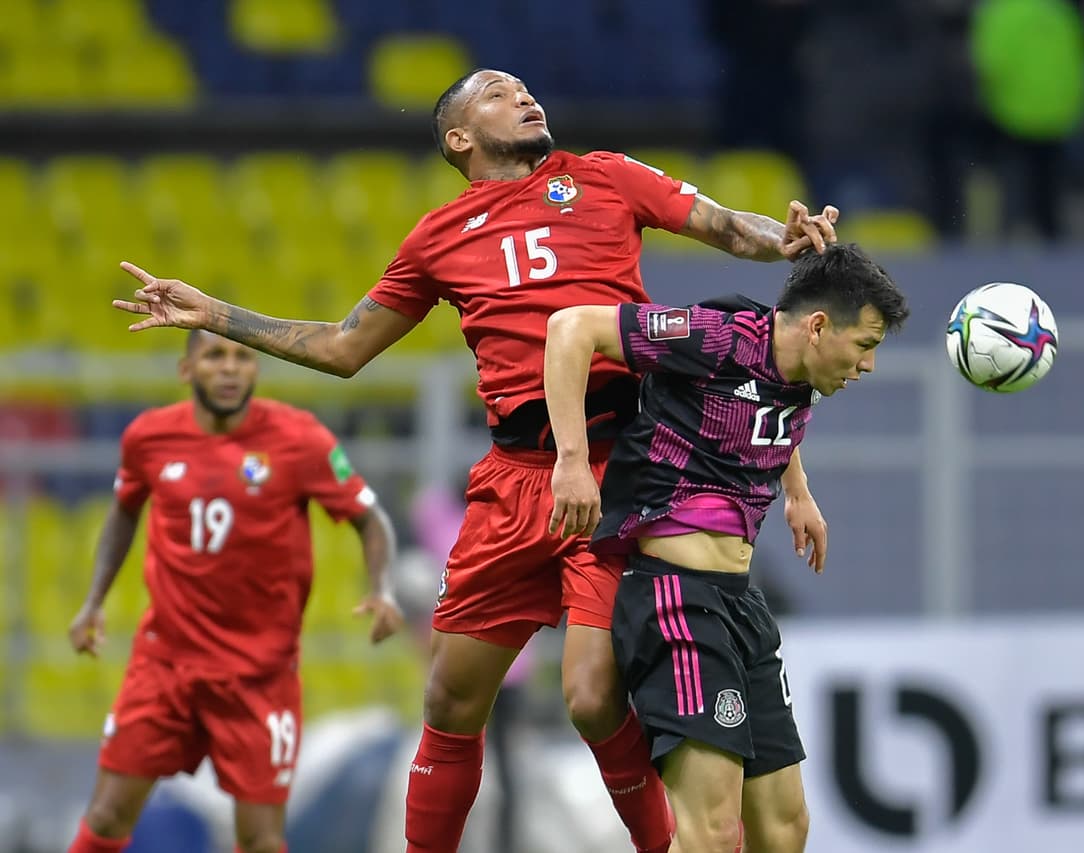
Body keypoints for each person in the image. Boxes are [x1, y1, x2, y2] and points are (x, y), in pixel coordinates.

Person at [110, 68, 838, 853]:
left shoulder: (604, 177)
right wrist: (215, 312)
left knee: (592, 697)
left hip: (614, 468)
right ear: (458, 136)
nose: (526, 98)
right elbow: (343, 346)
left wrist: (783, 238)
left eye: (527, 90)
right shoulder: (437, 238)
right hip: (513, 480)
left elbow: (727, 225)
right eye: (498, 92)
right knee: (450, 700)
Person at [542, 243, 910, 852]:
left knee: (784, 828)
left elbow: (770, 413)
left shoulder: (802, 375)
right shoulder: (716, 338)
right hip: (674, 602)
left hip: (740, 603)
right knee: (711, 832)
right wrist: (573, 462)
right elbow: (570, 328)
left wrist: (799, 491)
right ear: (818, 327)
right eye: (865, 345)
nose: (868, 365)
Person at [65, 331, 403, 853]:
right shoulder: (149, 438)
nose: (229, 369)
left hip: (258, 677)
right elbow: (125, 508)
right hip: (166, 665)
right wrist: (93, 601)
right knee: (108, 815)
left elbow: (369, 518)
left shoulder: (300, 439)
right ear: (186, 370)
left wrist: (382, 589)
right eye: (214, 357)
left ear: (256, 370)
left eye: (242, 357)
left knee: (260, 837)